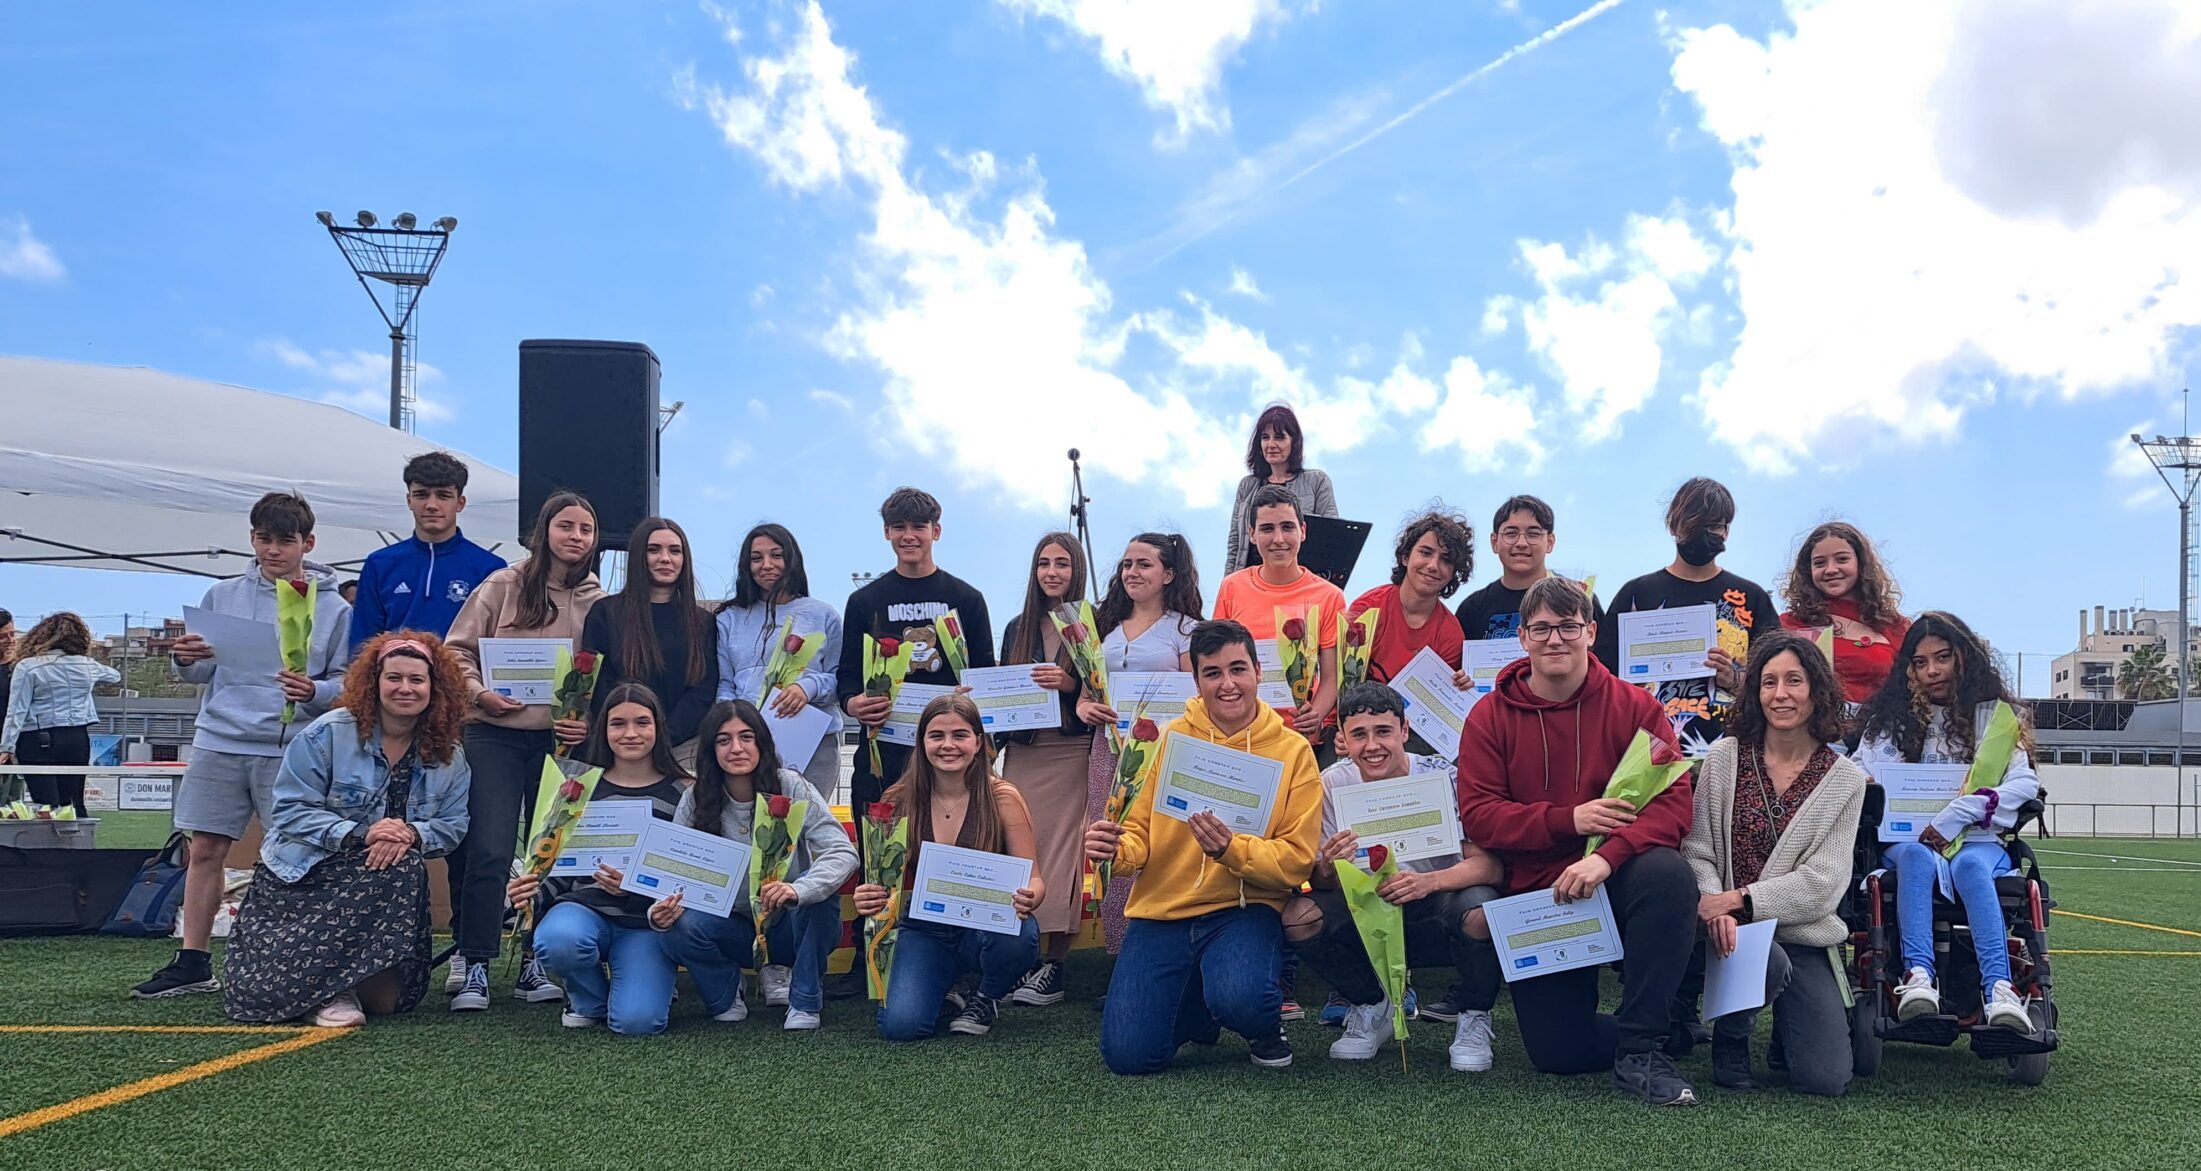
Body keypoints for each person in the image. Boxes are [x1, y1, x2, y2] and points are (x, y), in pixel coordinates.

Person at [1457, 577, 1703, 1107]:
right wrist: (1569, 820)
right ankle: (1666, 1028)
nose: (1555, 639)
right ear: (1523, 637)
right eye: (1542, 628)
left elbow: (1672, 803)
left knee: (1667, 874)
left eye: (1569, 626)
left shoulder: (1636, 706)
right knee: (1559, 1053)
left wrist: (1607, 858)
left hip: (1617, 875)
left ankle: (1642, 1049)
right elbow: (1480, 817)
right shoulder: (1488, 717)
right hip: (1541, 893)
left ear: (1591, 632)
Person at [135, 492, 352, 1000]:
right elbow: (200, 672)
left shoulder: (336, 607)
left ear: (308, 543)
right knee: (205, 849)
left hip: (294, 747)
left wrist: (315, 691)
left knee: (294, 856)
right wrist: (184, 658)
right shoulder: (221, 595)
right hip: (220, 739)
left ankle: (295, 960)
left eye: (285, 541)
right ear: (251, 539)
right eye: (263, 539)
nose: (273, 550)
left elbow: (348, 683)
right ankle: (193, 960)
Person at [1088, 619, 1324, 1074]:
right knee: (1130, 1058)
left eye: (1238, 669)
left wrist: (1231, 852)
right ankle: (1199, 1010)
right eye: (1212, 673)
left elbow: (1296, 861)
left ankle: (1258, 1021)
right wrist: (1116, 851)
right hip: (1163, 911)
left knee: (1242, 997)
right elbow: (1138, 834)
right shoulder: (1167, 739)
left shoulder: (1294, 751)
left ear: (1258, 671)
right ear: (1196, 681)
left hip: (1243, 909)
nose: (1227, 684)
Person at [223, 632, 472, 1027]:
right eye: (394, 678)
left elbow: (454, 825)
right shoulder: (327, 733)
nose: (405, 688)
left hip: (384, 872)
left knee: (389, 1002)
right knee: (401, 866)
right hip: (306, 870)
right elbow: (289, 809)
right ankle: (330, 990)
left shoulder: (449, 754)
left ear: (435, 688)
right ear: (374, 682)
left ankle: (351, 982)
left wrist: (411, 833)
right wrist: (360, 834)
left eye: (417, 679)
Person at [1681, 631, 1866, 1095]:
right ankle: (1732, 1036)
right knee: (1764, 960)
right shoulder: (1723, 757)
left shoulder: (1846, 780)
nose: (1780, 694)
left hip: (1800, 934)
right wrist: (1716, 905)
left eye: (1794, 681)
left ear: (1816, 690)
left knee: (1824, 1080)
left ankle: (1788, 1027)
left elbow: (1824, 884)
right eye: (1768, 682)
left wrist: (1738, 900)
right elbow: (1697, 848)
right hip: (1725, 930)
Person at [1284, 682, 1504, 1072]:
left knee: (1481, 910)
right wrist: (1329, 866)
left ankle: (1474, 1014)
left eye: (1383, 731)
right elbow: (1320, 883)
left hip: (1435, 904)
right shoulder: (1332, 783)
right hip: (1366, 909)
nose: (1372, 746)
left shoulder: (1443, 777)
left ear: (1404, 730)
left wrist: (1429, 882)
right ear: (1343, 739)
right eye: (1359, 735)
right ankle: (1371, 1004)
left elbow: (1490, 867)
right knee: (1299, 918)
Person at [443, 491, 604, 1011]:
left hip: (560, 743)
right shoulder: (502, 584)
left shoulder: (599, 601)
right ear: (544, 531)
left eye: (585, 529)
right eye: (566, 526)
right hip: (493, 733)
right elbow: (455, 650)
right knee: (489, 847)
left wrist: (587, 718)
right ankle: (475, 961)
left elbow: (607, 675)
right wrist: (479, 694)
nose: (575, 536)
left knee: (549, 851)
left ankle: (534, 960)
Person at [1853, 612, 2038, 1034]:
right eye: (1920, 662)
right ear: (1908, 669)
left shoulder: (1993, 721)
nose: (1932, 671)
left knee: (1970, 866)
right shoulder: (1890, 722)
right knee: (1917, 858)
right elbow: (1857, 767)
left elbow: (2025, 782)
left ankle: (2000, 989)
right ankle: (1918, 976)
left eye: (1942, 657)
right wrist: (1867, 782)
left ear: (1963, 658)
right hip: (1910, 842)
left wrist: (1960, 813)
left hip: (1978, 842)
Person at [853, 694, 1042, 1041]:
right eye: (937, 735)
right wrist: (868, 895)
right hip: (926, 928)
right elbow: (882, 882)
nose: (948, 745)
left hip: (986, 925)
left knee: (1020, 933)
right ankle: (951, 988)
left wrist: (1030, 896)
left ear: (978, 742)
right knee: (901, 1026)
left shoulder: (1003, 797)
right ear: (922, 742)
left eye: (960, 735)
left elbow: (1034, 877)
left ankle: (987, 995)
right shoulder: (898, 798)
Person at [505, 682, 689, 1035]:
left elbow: (686, 874)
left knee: (638, 1023)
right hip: (582, 909)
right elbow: (555, 867)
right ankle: (587, 999)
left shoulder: (684, 792)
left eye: (642, 722)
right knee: (559, 940)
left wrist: (634, 888)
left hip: (645, 923)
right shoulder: (576, 788)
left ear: (659, 728)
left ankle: (639, 990)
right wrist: (529, 896)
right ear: (603, 729)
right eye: (618, 723)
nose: (630, 733)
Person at [659, 700, 856, 1030]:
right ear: (710, 750)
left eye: (746, 737)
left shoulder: (791, 785)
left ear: (762, 743)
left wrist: (799, 889)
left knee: (821, 898)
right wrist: (661, 908)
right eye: (724, 740)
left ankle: (805, 1000)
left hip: (788, 926)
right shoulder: (695, 797)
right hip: (731, 928)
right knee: (675, 927)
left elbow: (842, 852)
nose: (736, 748)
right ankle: (725, 989)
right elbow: (674, 870)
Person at [835, 488, 994, 866]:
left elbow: (985, 672)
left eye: (918, 526)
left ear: (936, 531)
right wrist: (854, 703)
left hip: (950, 758)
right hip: (883, 757)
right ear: (886, 533)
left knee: (952, 863)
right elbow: (847, 675)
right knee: (880, 865)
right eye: (899, 527)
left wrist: (973, 695)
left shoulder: (966, 598)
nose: (909, 535)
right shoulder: (864, 601)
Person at [1077, 532, 1203, 954]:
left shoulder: (1186, 630)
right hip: (1109, 751)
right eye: (1127, 564)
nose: (1132, 572)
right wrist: (1086, 709)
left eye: (1143, 564)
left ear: (1168, 574)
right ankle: (1122, 949)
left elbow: (1197, 698)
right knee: (1112, 839)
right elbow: (1086, 693)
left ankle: (1171, 945)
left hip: (1166, 754)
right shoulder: (1104, 628)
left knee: (1164, 840)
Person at [1594, 477, 1780, 758]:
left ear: (1727, 531)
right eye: (1693, 525)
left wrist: (1734, 678)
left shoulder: (1751, 598)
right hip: (1645, 754)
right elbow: (1601, 675)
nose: (1703, 534)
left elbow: (1780, 678)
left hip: (1732, 753)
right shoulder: (1636, 594)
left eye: (1714, 526)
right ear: (1673, 526)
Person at [995, 532, 1095, 1007]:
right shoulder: (1017, 627)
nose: (1051, 572)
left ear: (1077, 570)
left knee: (1062, 854)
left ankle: (1054, 962)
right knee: (1019, 849)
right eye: (1043, 563)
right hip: (1023, 752)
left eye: (1062, 563)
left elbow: (1102, 689)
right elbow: (1003, 688)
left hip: (1072, 751)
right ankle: (1020, 951)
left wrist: (1070, 685)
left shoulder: (1092, 623)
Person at [715, 523, 843, 795]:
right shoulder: (728, 618)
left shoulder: (823, 615)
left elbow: (841, 680)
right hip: (747, 743)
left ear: (792, 559)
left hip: (812, 744)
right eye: (756, 558)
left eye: (776, 555)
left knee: (808, 819)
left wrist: (807, 688)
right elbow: (725, 683)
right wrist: (731, 721)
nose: (767, 565)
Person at [1213, 484, 1346, 748]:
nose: (1278, 539)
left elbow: (1332, 677)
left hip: (1298, 739)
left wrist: (1316, 714)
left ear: (1303, 531)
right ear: (1252, 534)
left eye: (1287, 527)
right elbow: (1216, 660)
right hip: (1241, 734)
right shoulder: (1232, 586)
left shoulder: (1329, 596)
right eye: (1267, 529)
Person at [578, 517, 719, 755]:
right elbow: (599, 683)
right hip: (621, 744)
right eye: (654, 549)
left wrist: (666, 736)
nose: (665, 558)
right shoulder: (605, 613)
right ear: (637, 556)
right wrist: (633, 730)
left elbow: (703, 690)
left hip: (683, 749)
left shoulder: (703, 622)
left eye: (675, 550)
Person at [1347, 508, 1475, 756]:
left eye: (1446, 560)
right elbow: (1343, 681)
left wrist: (1462, 687)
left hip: (1411, 736)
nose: (1433, 565)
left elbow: (1434, 715)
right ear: (1405, 557)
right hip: (1354, 724)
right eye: (1425, 553)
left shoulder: (1450, 634)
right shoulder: (1368, 608)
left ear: (1454, 572)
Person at [347, 451, 507, 649]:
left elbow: (496, 642)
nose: (432, 505)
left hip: (463, 669)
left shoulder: (491, 568)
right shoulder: (379, 564)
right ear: (409, 500)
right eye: (421, 495)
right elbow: (362, 644)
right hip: (396, 668)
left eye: (443, 495)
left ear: (460, 503)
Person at [0, 612, 120, 816]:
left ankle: (47, 836)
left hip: (37, 737)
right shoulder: (87, 664)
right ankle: (80, 836)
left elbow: (17, 710)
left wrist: (6, 747)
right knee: (74, 803)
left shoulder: (28, 666)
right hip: (77, 736)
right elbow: (114, 676)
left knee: (46, 805)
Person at [1779, 521, 1910, 704]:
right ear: (1808, 570)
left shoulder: (1895, 626)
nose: (1831, 570)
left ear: (1861, 563)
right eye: (1820, 563)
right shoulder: (1789, 624)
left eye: (1841, 559)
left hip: (1881, 721)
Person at [1454, 494, 1606, 641]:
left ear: (1550, 542)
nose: (1521, 543)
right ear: (1495, 542)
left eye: (1533, 534)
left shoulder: (1579, 596)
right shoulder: (1472, 609)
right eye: (1511, 533)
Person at [1223, 403, 1338, 576]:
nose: (1271, 444)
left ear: (1294, 442)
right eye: (1265, 437)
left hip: (1300, 583)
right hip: (1250, 583)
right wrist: (1227, 585)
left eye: (1279, 437)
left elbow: (1332, 539)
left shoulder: (1316, 481)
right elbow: (1235, 544)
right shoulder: (1247, 486)